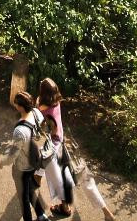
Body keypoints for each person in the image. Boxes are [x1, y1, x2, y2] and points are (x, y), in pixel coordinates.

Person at [39, 77, 115, 220]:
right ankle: (107, 213)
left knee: (58, 179)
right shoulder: (56, 101)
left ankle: (64, 207)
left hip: (53, 149)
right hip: (66, 144)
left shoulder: (41, 107)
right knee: (85, 180)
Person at [10, 89, 54, 221]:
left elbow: (14, 153)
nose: (15, 106)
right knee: (29, 189)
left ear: (20, 107)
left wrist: (3, 162)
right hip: (35, 162)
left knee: (24, 199)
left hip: (22, 167)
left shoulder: (20, 130)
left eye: (16, 104)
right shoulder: (36, 113)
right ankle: (41, 215)